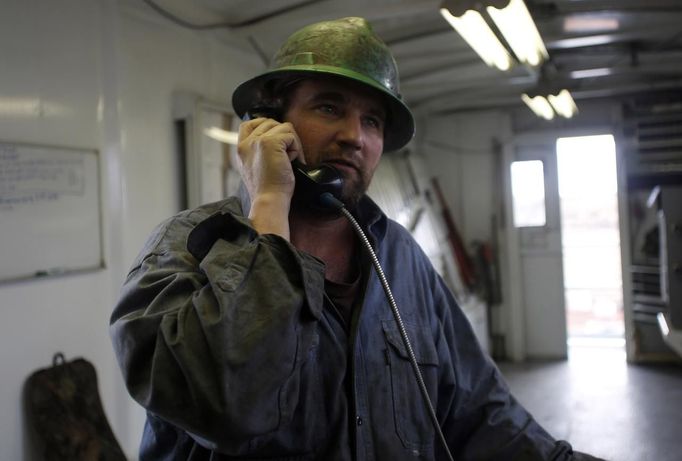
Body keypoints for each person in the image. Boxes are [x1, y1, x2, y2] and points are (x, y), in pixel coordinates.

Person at [110, 17, 603, 461]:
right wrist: (269, 209)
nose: (356, 136)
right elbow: (228, 405)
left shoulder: (398, 258)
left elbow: (478, 411)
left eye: (373, 121)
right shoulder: (187, 249)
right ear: (269, 122)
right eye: (329, 107)